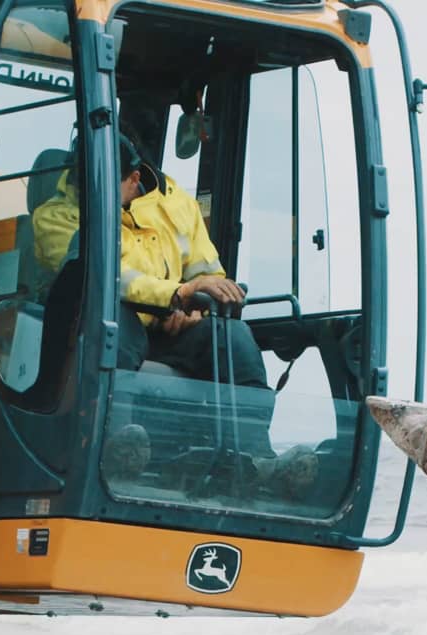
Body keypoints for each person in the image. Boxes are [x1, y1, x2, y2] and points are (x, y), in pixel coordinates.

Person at [31, 133, 276, 459]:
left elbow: (208, 274)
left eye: (103, 184)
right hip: (101, 326)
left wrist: (193, 311)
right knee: (113, 322)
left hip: (168, 329)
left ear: (134, 178)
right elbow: (106, 278)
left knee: (234, 338)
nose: (90, 194)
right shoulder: (56, 217)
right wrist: (178, 294)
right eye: (83, 181)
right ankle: (112, 450)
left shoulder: (178, 205)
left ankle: (256, 458)